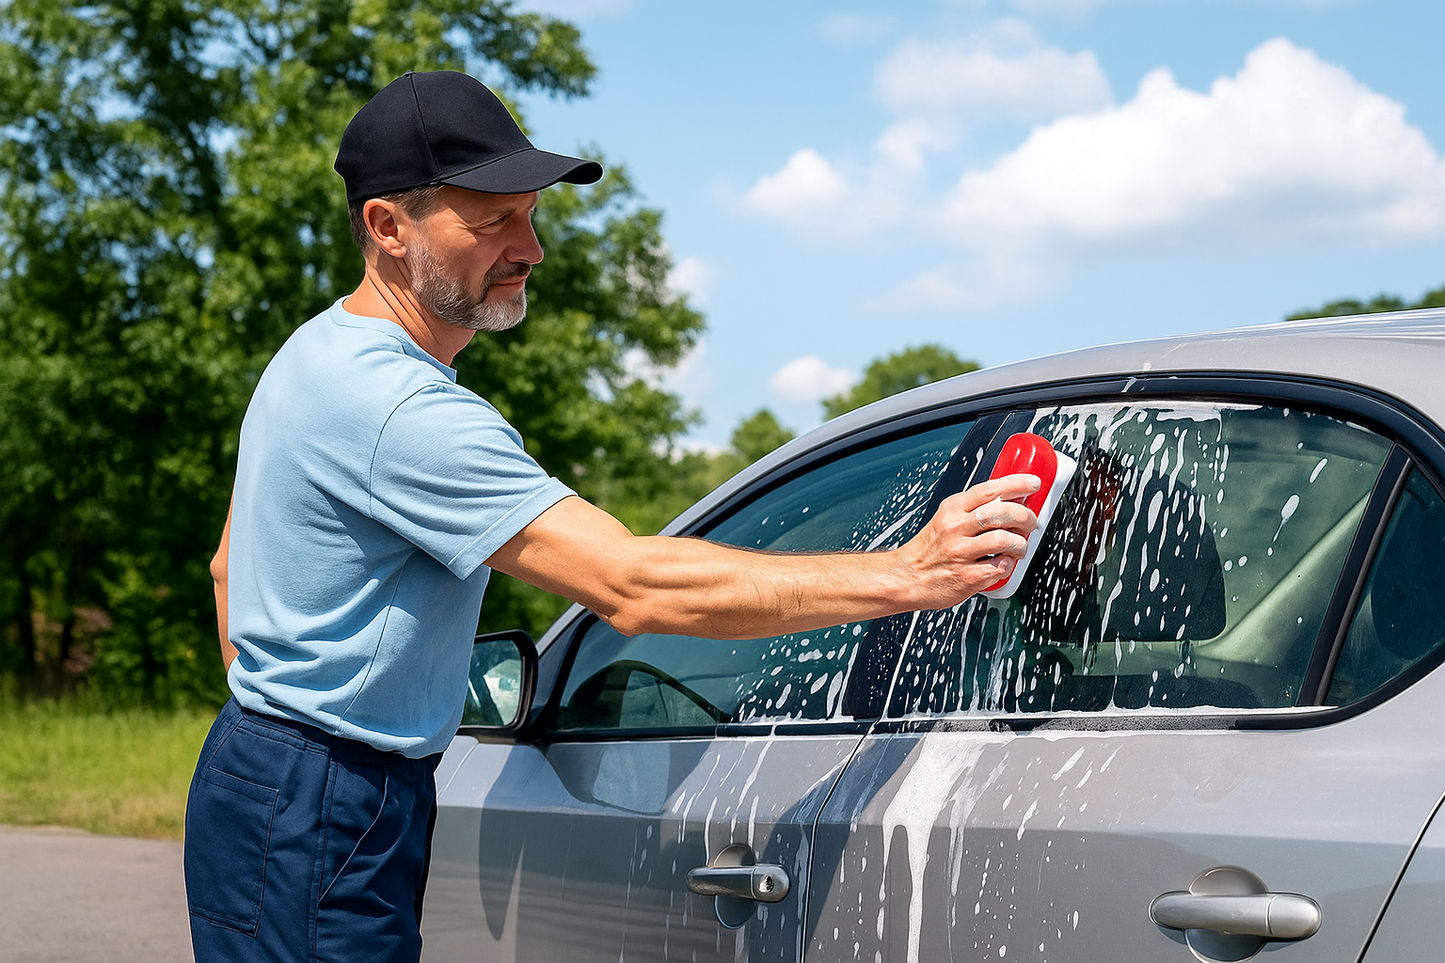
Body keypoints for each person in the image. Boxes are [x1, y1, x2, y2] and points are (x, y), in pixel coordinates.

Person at [184, 69, 1039, 963]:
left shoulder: (314, 353)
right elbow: (629, 584)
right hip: (326, 798)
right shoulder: (401, 410)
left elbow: (225, 568)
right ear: (388, 227)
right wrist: (908, 571)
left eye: (530, 213)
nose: (531, 248)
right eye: (493, 223)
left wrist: (277, 732)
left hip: (273, 778)